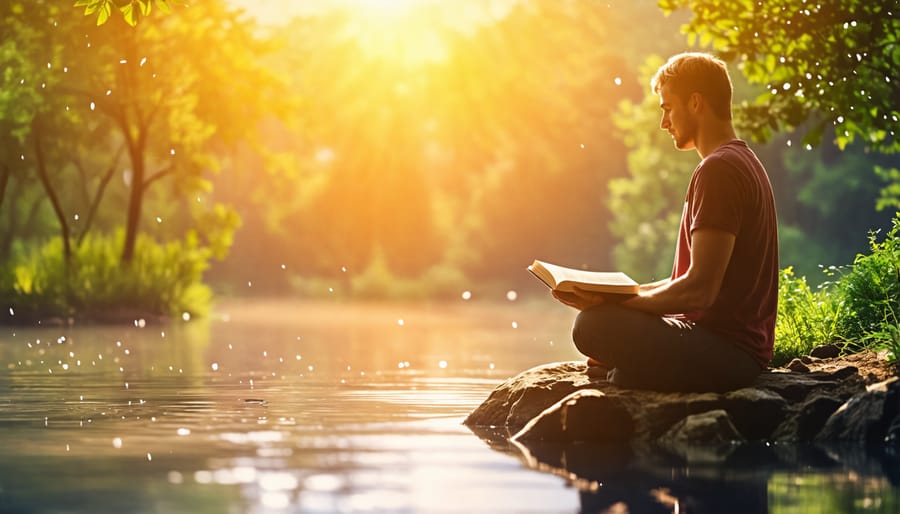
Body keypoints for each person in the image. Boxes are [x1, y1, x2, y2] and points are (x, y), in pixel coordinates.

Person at [552, 52, 778, 393]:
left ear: (696, 102)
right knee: (604, 321)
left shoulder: (719, 171)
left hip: (731, 354)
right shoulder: (738, 161)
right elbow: (683, 282)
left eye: (668, 108)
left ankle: (635, 371)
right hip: (731, 349)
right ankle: (634, 369)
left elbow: (699, 290)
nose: (664, 122)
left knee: (592, 326)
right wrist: (619, 296)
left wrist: (617, 307)